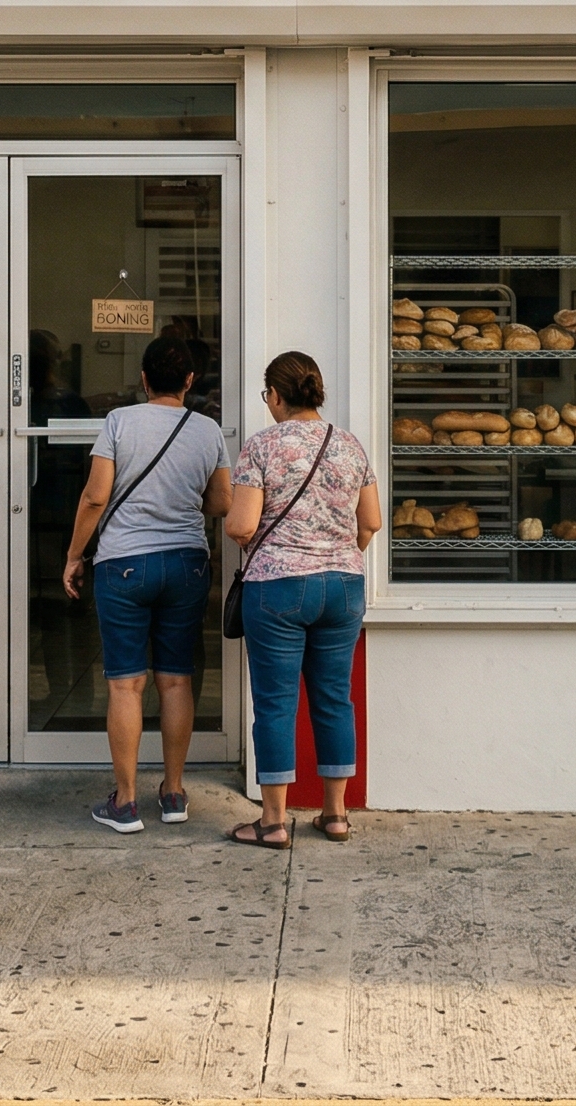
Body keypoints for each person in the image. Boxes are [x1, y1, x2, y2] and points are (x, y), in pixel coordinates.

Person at [62, 334, 231, 833]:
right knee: (176, 679)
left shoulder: (119, 422)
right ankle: (174, 793)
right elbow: (221, 503)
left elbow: (95, 498)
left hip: (124, 565)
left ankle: (127, 801)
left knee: (126, 684)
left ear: (142, 379)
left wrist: (74, 556)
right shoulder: (207, 430)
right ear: (189, 381)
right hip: (186, 563)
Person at [224, 350, 381, 849]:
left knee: (275, 705)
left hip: (278, 587)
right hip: (343, 586)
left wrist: (241, 530)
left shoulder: (261, 447)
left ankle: (272, 823)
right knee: (335, 699)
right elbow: (371, 521)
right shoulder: (351, 446)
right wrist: (337, 554)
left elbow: (243, 525)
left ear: (274, 395)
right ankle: (335, 815)